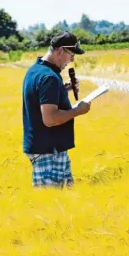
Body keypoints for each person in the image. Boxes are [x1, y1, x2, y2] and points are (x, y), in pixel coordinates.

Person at [22, 31, 91, 188]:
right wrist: (78, 110)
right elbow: (50, 119)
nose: (72, 60)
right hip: (48, 151)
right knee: (50, 204)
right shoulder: (50, 78)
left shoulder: (36, 70)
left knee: (64, 201)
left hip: (45, 147)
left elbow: (39, 97)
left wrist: (61, 90)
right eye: (71, 54)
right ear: (60, 50)